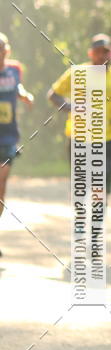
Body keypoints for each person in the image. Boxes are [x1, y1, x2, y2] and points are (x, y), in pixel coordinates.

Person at [48, 34, 111, 195]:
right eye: (97, 52)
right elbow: (53, 95)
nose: (102, 56)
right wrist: (71, 107)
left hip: (110, 137)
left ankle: (98, 218)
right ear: (90, 54)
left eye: (105, 52)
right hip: (79, 136)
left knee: (103, 183)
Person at [0, 33, 34, 255]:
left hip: (7, 138)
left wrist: (25, 95)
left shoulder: (14, 70)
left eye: (1, 49)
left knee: (1, 187)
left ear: (7, 51)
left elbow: (18, 88)